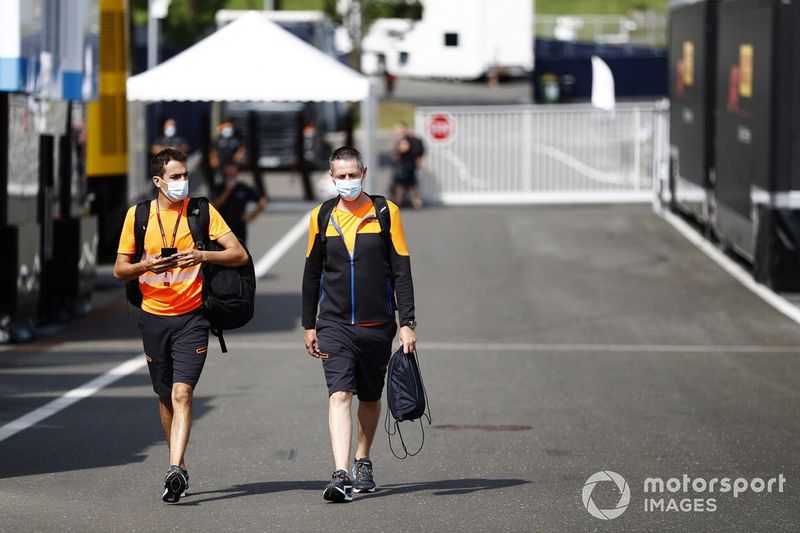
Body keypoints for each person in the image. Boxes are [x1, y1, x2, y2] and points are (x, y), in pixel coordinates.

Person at [113, 149, 248, 503]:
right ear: (158, 181)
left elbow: (238, 254)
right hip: (154, 317)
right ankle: (182, 467)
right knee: (164, 395)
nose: (182, 182)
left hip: (193, 317)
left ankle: (172, 468)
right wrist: (147, 266)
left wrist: (203, 255)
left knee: (182, 392)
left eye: (184, 175)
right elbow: (119, 270)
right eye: (175, 177)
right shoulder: (138, 215)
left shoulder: (201, 210)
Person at [302, 146, 418, 502]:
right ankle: (339, 473)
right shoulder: (321, 216)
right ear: (331, 177)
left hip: (376, 325)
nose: (348, 182)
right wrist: (310, 324)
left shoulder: (385, 212)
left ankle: (362, 459)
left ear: (364, 172)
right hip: (334, 325)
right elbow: (310, 274)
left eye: (354, 175)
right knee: (339, 394)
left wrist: (407, 322)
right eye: (342, 176)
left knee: (369, 396)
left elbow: (401, 269)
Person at [210, 161, 267, 245]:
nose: (230, 171)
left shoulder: (243, 188)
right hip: (221, 227)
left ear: (237, 170)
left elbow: (262, 200)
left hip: (239, 227)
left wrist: (252, 215)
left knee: (241, 254)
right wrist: (227, 190)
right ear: (224, 170)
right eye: (228, 168)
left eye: (233, 168)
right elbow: (214, 206)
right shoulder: (218, 188)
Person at [391, 122, 424, 210]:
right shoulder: (410, 138)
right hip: (407, 164)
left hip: (406, 165)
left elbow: (403, 149)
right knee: (410, 184)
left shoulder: (406, 139)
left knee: (403, 184)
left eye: (398, 129)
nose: (397, 132)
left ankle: (401, 202)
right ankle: (413, 202)